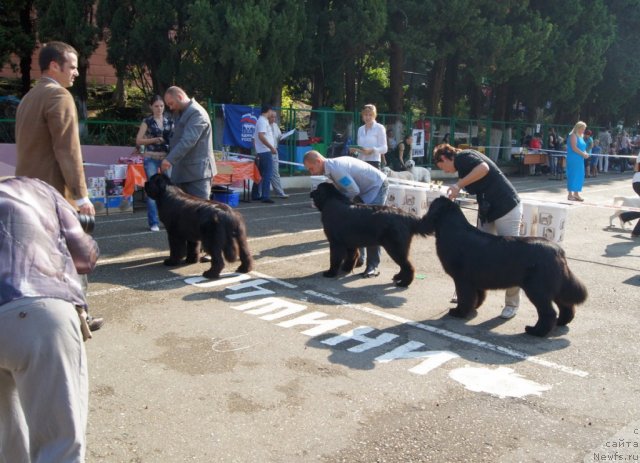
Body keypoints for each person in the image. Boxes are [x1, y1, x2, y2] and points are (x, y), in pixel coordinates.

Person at [0, 176, 99, 462]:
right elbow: (85, 259)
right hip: (38, 311)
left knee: (8, 441)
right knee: (60, 445)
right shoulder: (40, 189)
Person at [14, 41, 103, 331]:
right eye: (73, 66)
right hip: (53, 195)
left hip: (25, 193)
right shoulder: (58, 96)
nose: (76, 73)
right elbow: (68, 150)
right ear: (55, 65)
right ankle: (80, 316)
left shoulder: (28, 98)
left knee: (38, 259)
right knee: (74, 255)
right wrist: (81, 196)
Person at [432, 143, 522, 320]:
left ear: (443, 158)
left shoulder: (464, 157)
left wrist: (458, 185)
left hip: (507, 208)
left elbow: (484, 168)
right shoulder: (462, 166)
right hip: (488, 212)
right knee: (475, 255)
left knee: (512, 256)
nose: (444, 171)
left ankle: (512, 304)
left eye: (441, 167)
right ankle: (469, 295)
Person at [303, 150, 389, 278]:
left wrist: (339, 204)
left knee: (372, 226)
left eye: (311, 168)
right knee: (356, 225)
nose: (312, 172)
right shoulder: (330, 167)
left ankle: (373, 266)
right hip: (362, 190)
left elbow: (353, 190)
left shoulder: (335, 169)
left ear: (318, 161)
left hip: (376, 186)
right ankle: (359, 259)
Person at [161, 86, 216, 201]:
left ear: (180, 97)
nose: (170, 107)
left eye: (171, 103)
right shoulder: (181, 113)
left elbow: (188, 141)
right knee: (183, 216)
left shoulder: (197, 113)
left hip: (197, 175)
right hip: (182, 173)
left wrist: (169, 159)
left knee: (200, 214)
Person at [135, 94, 173, 231]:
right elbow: (138, 140)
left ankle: (168, 220)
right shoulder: (147, 121)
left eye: (162, 106)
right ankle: (153, 222)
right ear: (151, 106)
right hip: (151, 157)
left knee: (168, 190)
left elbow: (173, 138)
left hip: (166, 158)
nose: (159, 108)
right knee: (152, 190)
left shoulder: (169, 120)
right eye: (156, 106)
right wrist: (154, 140)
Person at [251, 104, 277, 203]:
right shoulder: (262, 121)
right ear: (269, 110)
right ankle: (265, 196)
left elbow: (256, 138)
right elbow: (261, 136)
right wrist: (271, 147)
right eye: (271, 112)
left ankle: (255, 194)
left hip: (262, 151)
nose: (272, 114)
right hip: (265, 151)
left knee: (260, 174)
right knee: (267, 174)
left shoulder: (262, 121)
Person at [350, 104, 388, 170]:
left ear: (374, 116)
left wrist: (372, 150)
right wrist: (355, 150)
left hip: (373, 162)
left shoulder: (380, 128)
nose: (367, 117)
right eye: (365, 115)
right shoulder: (360, 129)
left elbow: (384, 148)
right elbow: (361, 148)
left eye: (370, 115)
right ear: (362, 116)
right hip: (360, 162)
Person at [566, 121, 590, 201]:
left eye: (584, 129)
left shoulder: (581, 136)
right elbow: (574, 148)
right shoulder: (573, 135)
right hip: (573, 158)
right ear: (578, 128)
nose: (583, 130)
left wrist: (585, 153)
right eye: (582, 129)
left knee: (580, 175)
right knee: (572, 175)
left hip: (580, 159)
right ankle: (570, 195)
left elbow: (583, 147)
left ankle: (576, 194)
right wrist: (583, 154)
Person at [268, 110, 288, 198]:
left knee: (275, 172)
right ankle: (259, 193)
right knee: (264, 173)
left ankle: (279, 192)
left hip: (274, 151)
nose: (274, 119)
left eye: (275, 117)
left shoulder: (275, 126)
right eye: (272, 116)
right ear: (268, 116)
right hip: (266, 151)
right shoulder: (263, 125)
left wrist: (285, 135)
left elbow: (279, 136)